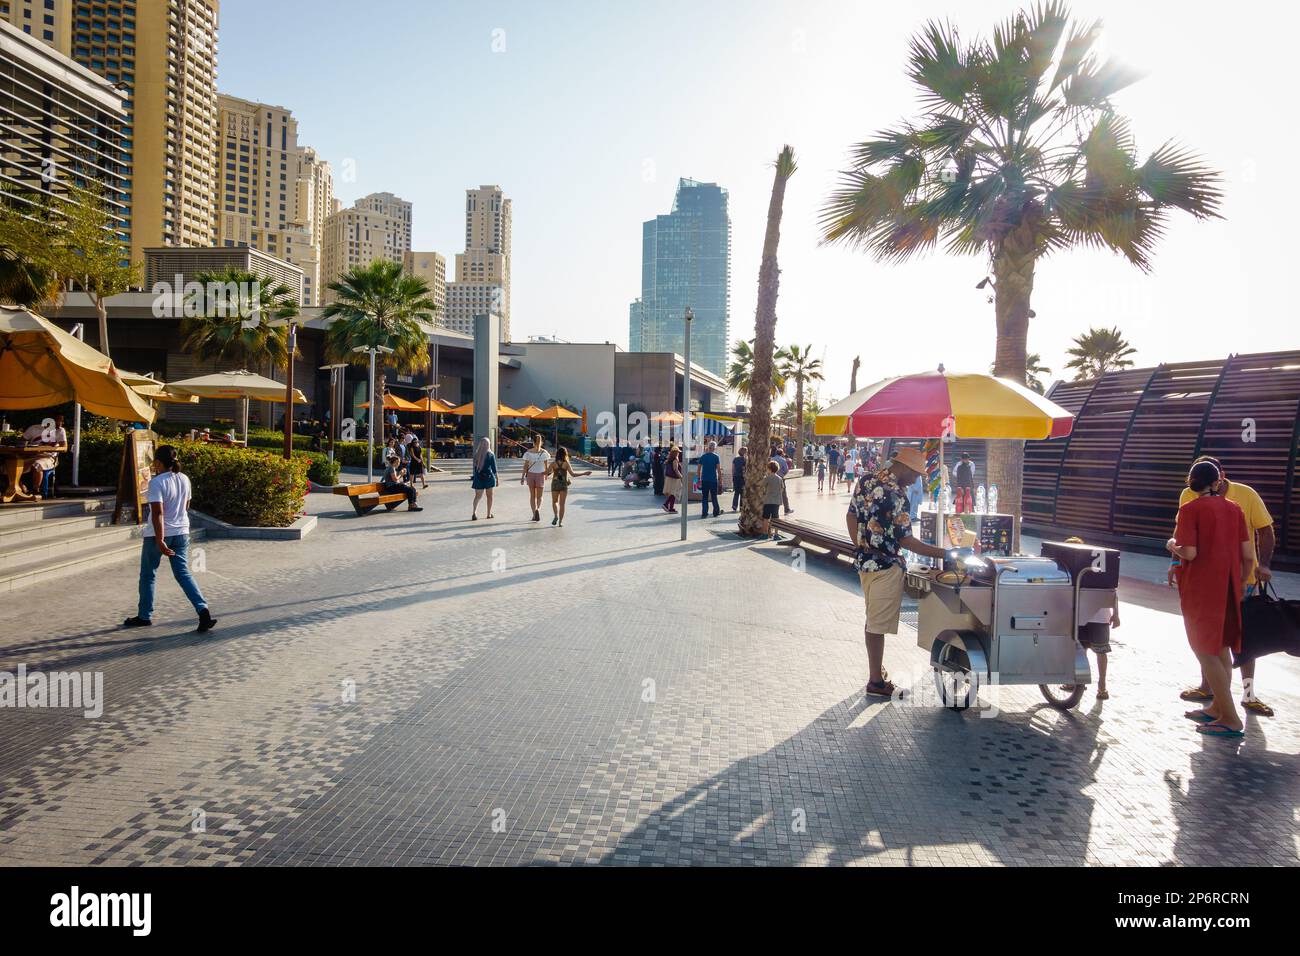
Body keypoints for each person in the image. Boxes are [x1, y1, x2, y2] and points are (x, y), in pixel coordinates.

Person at [1169, 455, 1277, 716]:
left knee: (1218, 646)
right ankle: (1214, 697)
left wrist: (1172, 547)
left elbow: (1265, 531)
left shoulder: (1243, 496)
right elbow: (1247, 554)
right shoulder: (1230, 507)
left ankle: (1236, 705)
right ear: (1216, 480)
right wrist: (1241, 580)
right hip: (1234, 581)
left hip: (1210, 585)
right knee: (1224, 645)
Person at [846, 447, 947, 699]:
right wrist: (945, 554)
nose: (916, 480)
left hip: (865, 564)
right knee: (877, 625)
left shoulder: (866, 480)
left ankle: (876, 672)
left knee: (873, 620)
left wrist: (860, 546)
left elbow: (850, 515)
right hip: (886, 566)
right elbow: (906, 541)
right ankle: (876, 681)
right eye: (915, 474)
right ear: (904, 468)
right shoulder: (898, 495)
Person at [122, 445, 216, 633]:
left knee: (148, 575)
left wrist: (160, 539)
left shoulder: (157, 482)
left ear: (158, 463)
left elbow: (158, 513)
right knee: (183, 574)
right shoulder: (184, 479)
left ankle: (144, 615)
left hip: (158, 534)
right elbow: (186, 506)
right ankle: (202, 610)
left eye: (154, 463)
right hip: (182, 533)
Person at [1058, 536, 1119, 701]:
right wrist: (1116, 614)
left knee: (1090, 650)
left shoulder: (1074, 567)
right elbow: (1113, 591)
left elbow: (1111, 591)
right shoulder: (1096, 565)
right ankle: (1090, 684)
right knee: (1092, 650)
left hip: (1091, 616)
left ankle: (1098, 685)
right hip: (1096, 615)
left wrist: (1116, 614)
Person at [547, 446, 592, 526]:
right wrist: (584, 473)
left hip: (555, 484)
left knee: (554, 502)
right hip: (563, 484)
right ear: (565, 454)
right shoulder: (566, 463)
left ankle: (555, 516)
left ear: (557, 454)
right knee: (562, 504)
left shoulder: (553, 463)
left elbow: (546, 472)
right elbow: (573, 474)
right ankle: (560, 522)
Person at [521, 433, 551, 522]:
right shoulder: (544, 453)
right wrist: (546, 475)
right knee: (540, 496)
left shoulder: (528, 452)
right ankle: (538, 509)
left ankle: (534, 514)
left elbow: (525, 466)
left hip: (530, 474)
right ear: (541, 442)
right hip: (541, 474)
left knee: (532, 496)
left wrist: (522, 477)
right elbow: (546, 466)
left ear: (533, 442)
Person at [470, 435, 497, 520]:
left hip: (478, 477)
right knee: (489, 496)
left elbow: (475, 468)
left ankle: (474, 512)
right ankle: (488, 514)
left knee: (477, 496)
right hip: (489, 477)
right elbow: (494, 468)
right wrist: (497, 478)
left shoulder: (476, 455)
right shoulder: (490, 455)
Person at [696, 441, 723, 518]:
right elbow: (718, 470)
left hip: (704, 480)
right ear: (714, 448)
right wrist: (720, 480)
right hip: (713, 480)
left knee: (704, 497)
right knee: (714, 496)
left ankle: (704, 512)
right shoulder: (716, 457)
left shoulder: (703, 457)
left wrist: (698, 479)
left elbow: (698, 469)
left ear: (708, 447)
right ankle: (716, 512)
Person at [761, 461, 785, 539]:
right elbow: (782, 489)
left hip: (768, 500)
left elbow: (762, 486)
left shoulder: (767, 478)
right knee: (775, 518)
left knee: (766, 518)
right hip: (776, 501)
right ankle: (776, 534)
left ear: (769, 469)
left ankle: (765, 534)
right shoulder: (780, 478)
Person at [662, 445, 682, 514]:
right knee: (674, 493)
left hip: (669, 478)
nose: (679, 453)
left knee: (672, 493)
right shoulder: (675, 460)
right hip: (674, 478)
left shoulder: (669, 459)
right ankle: (667, 505)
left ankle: (670, 507)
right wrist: (681, 477)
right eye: (678, 452)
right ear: (675, 453)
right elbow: (675, 469)